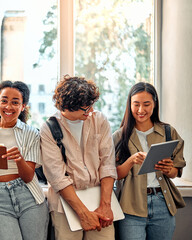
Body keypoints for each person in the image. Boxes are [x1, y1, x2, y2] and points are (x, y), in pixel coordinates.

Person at [40, 75, 117, 240]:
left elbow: (108, 164)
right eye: (85, 109)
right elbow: (57, 177)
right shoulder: (49, 129)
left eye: (91, 106)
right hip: (65, 204)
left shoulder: (100, 120)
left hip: (99, 199)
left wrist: (105, 205)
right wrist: (83, 213)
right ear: (67, 106)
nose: (90, 112)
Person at [0, 80, 49, 240]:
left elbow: (29, 177)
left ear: (23, 106)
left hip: (29, 198)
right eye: (4, 101)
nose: (8, 107)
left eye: (15, 102)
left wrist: (20, 159)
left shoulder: (32, 133)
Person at [113, 82, 186, 240]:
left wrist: (169, 169)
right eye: (136, 104)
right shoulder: (119, 136)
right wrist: (131, 161)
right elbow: (114, 175)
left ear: (155, 104)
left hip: (162, 203)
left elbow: (175, 172)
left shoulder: (168, 132)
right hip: (130, 205)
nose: (141, 110)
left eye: (146, 104)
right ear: (129, 105)